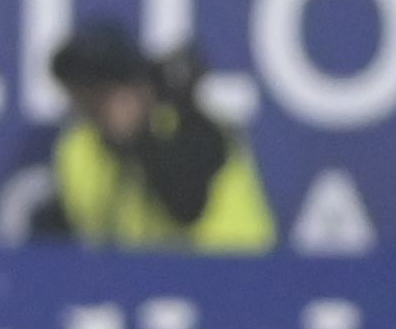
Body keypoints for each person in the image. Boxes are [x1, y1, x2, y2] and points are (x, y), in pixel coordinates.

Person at [27, 23, 268, 250]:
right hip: (143, 287)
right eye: (86, 93)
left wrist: (140, 136)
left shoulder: (193, 128)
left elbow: (186, 205)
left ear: (139, 86)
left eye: (107, 91)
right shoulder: (80, 149)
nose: (97, 106)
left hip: (235, 278)